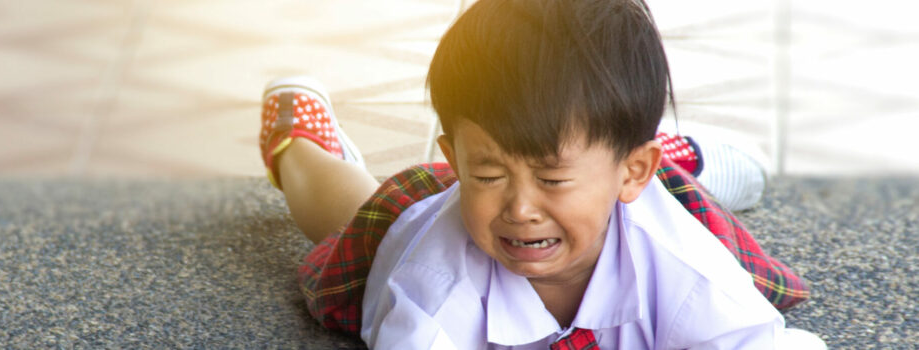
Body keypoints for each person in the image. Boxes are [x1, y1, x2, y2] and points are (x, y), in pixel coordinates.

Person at [257, 0, 826, 348]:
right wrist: (517, 180)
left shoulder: (686, 267)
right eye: (486, 173)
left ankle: (677, 162)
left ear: (633, 170)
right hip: (421, 212)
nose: (520, 208)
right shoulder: (433, 294)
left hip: (648, 201)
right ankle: (299, 146)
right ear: (456, 161)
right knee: (342, 211)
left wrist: (508, 173)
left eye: (551, 178)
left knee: (712, 238)